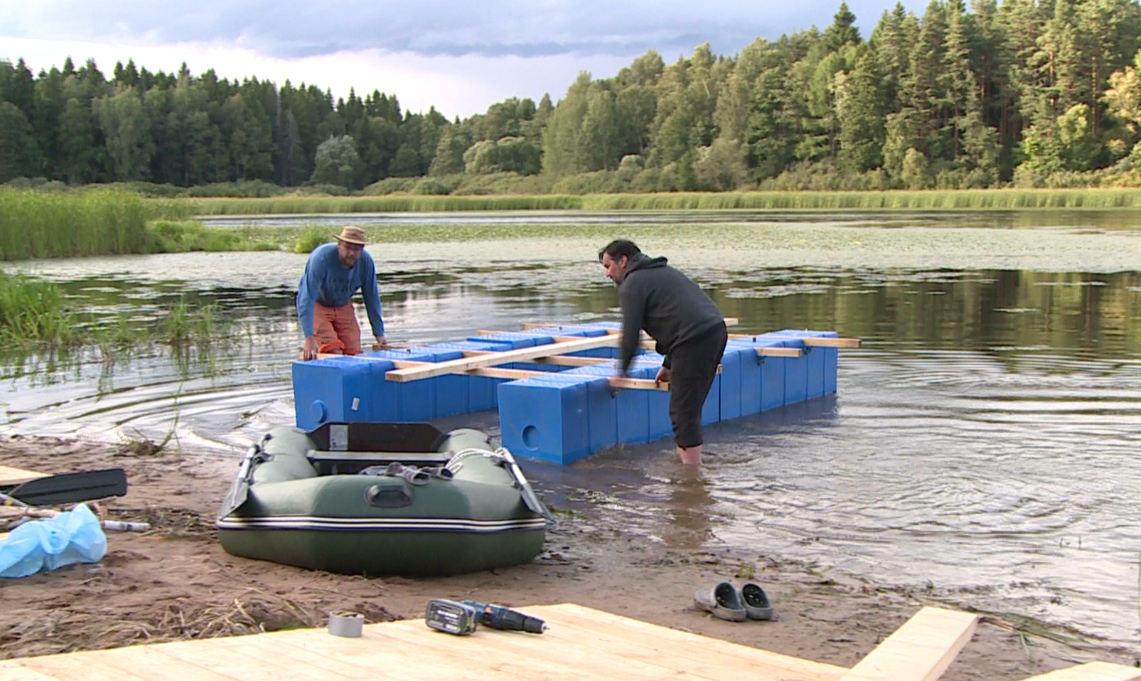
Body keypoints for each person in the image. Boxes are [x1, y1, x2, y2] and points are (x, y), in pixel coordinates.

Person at [599, 239, 727, 467]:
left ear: (623, 261)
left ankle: (691, 481)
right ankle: (691, 465)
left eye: (608, 266)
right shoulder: (658, 272)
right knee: (689, 408)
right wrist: (668, 365)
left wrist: (622, 373)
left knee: (683, 413)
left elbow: (630, 334)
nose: (607, 274)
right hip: (715, 331)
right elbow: (678, 314)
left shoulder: (632, 284)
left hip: (694, 340)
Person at [297, 226, 387, 360]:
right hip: (318, 304)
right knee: (333, 351)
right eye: (348, 248)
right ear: (339, 245)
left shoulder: (366, 263)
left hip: (343, 304)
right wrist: (309, 338)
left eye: (356, 249)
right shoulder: (321, 258)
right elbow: (306, 298)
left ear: (362, 249)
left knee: (355, 353)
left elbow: (371, 298)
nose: (351, 253)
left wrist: (379, 334)